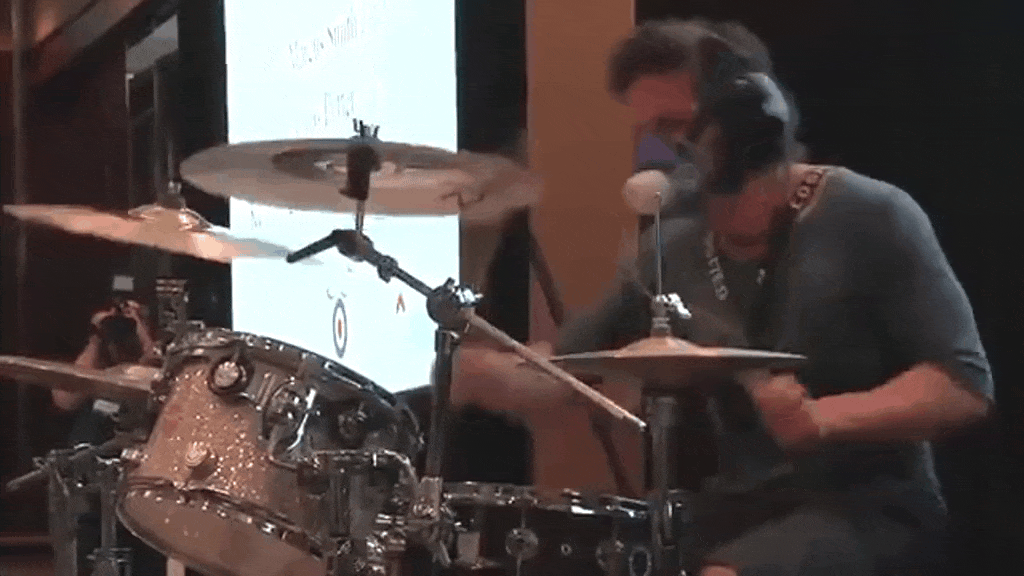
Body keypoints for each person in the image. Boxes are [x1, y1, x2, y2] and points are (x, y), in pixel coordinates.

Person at [452, 17, 994, 576]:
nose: (655, 153)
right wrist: (480, 373)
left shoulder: (869, 215)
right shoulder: (671, 248)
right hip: (735, 506)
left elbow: (963, 385)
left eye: (674, 126)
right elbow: (569, 372)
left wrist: (825, 419)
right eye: (646, 131)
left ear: (753, 121)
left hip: (868, 507)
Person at [52, 299, 165, 576]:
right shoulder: (96, 372)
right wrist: (97, 336)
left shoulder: (155, 370)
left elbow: (157, 374)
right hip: (91, 479)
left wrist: (141, 329)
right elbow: (65, 398)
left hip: (140, 483)